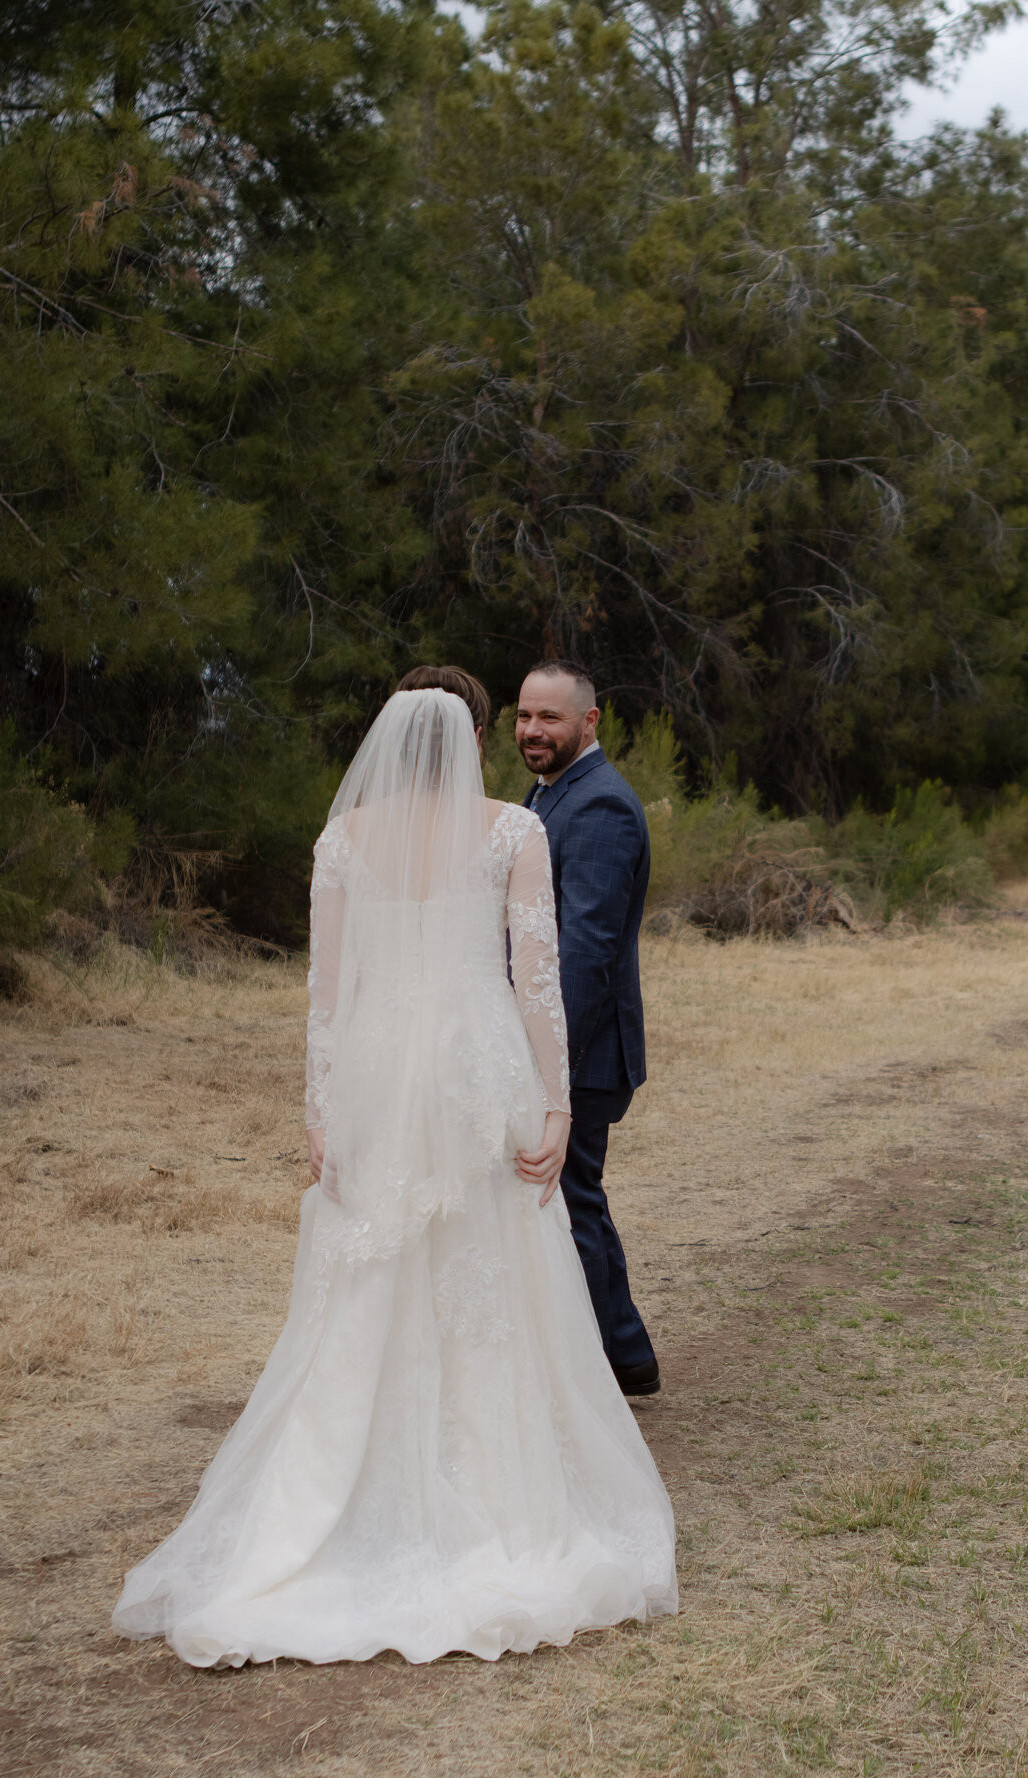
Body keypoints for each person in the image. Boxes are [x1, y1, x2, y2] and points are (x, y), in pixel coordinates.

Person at [112, 666, 676, 1668]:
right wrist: (553, 1101)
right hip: (477, 1063)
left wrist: (321, 1110)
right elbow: (539, 981)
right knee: (489, 1264)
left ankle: (337, 1498)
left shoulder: (345, 840)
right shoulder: (515, 830)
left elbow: (326, 996)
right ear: (469, 738)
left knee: (374, 1273)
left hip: (378, 1069)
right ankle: (499, 1495)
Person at [515, 660, 660, 1398]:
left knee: (571, 1199)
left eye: (550, 718)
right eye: (523, 716)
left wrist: (545, 1069)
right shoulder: (549, 795)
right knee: (569, 1198)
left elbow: (586, 955)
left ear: (589, 722)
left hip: (583, 1050)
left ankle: (617, 1363)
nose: (533, 731)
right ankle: (620, 1353)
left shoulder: (599, 805)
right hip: (558, 1046)